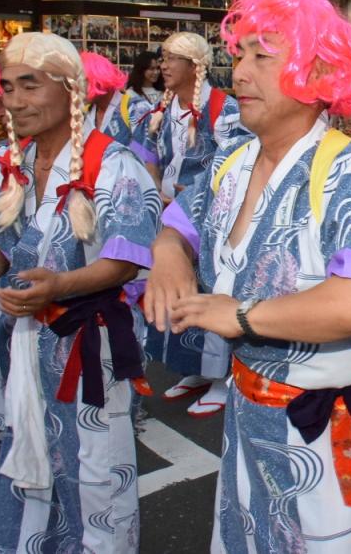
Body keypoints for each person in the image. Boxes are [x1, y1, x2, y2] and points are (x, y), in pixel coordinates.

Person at [145, 0, 351, 553]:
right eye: (238, 55)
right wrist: (168, 256)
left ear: (319, 73)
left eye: (260, 56)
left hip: (318, 435)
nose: (239, 72)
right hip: (249, 418)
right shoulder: (234, 161)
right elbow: (177, 222)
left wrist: (241, 315)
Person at [0, 32, 161, 551]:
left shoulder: (114, 163)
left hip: (88, 351)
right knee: (30, 463)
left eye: (29, 87)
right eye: (8, 88)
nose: (15, 102)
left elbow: (128, 259)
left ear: (70, 90)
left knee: (94, 476)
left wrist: (60, 285)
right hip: (27, 346)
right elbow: (2, 248)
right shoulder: (14, 162)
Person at [134, 30, 247, 417]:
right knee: (181, 293)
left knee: (212, 290)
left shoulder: (223, 109)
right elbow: (145, 155)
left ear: (194, 66)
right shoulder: (164, 110)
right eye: (162, 58)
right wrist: (154, 187)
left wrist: (194, 191)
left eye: (170, 59)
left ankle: (219, 376)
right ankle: (192, 369)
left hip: (211, 216)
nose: (163, 66)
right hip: (172, 214)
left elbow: (237, 161)